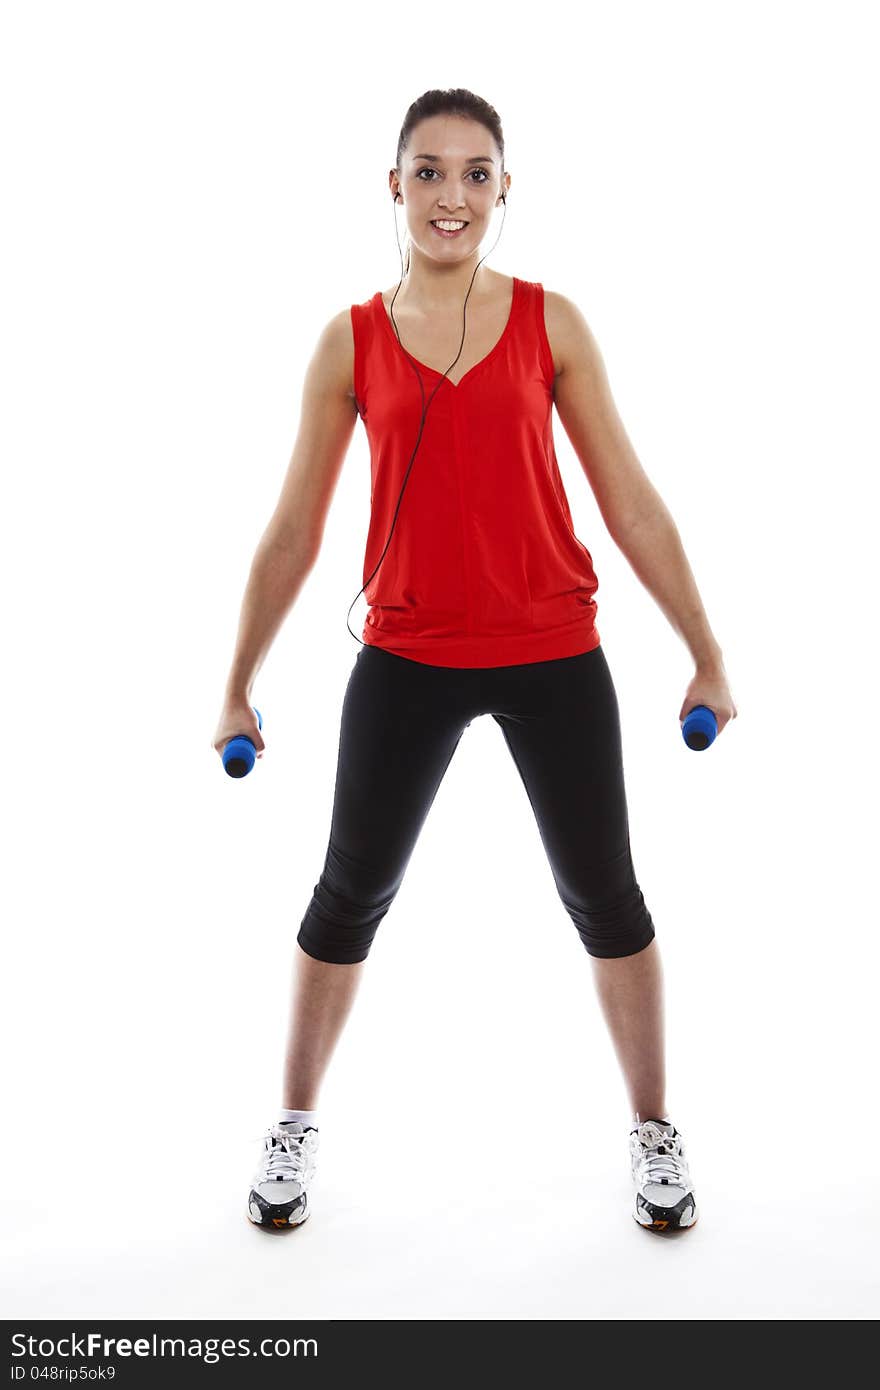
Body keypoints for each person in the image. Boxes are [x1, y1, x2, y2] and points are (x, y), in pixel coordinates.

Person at [212, 88, 737, 1236]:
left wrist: (704, 653)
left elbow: (631, 504)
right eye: (431, 171)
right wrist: (237, 680)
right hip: (407, 655)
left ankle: (653, 1129)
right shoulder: (347, 338)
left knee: (606, 895)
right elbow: (294, 527)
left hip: (554, 649)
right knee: (348, 895)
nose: (454, 195)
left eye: (477, 173)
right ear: (392, 185)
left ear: (505, 190)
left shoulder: (554, 322)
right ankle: (292, 1124)